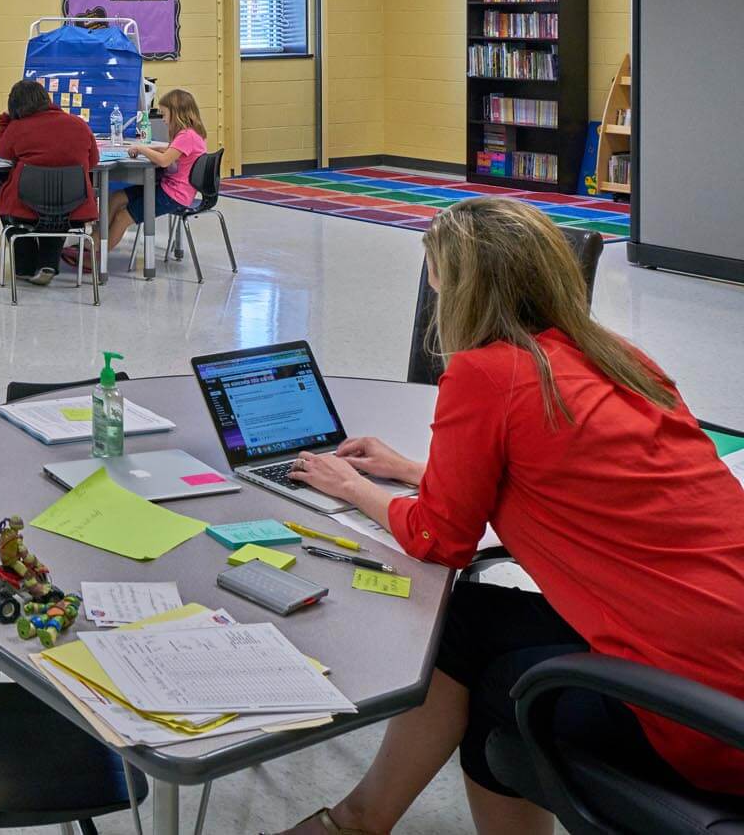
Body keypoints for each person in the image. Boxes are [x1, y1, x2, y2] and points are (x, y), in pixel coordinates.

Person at [271, 197, 744, 835]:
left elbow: (440, 539)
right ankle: (359, 819)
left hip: (701, 719)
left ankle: (358, 821)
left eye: (437, 279)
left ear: (462, 290)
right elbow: (574, 481)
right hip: (716, 647)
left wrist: (350, 485)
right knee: (465, 621)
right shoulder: (620, 358)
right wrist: (424, 473)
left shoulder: (487, 374)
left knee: (501, 697)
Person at [0, 78, 98, 286]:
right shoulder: (78, 124)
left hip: (26, 205)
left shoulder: (18, 128)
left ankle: (24, 266)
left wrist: (6, 121)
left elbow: (2, 151)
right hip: (73, 208)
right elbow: (93, 161)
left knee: (9, 207)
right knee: (57, 215)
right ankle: (48, 263)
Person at [96, 87, 205, 270]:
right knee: (117, 197)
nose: (163, 119)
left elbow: (164, 161)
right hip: (169, 188)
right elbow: (170, 152)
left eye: (165, 114)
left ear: (177, 114)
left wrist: (141, 149)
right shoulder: (189, 134)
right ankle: (99, 238)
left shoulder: (187, 136)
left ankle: (98, 256)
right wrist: (151, 149)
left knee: (123, 217)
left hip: (174, 195)